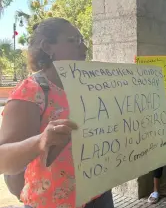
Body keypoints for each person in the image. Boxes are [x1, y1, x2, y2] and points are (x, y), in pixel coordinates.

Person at [0, 18, 114, 208]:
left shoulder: (89, 87)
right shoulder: (31, 92)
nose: (83, 47)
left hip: (98, 195)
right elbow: (3, 160)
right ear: (47, 47)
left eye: (82, 40)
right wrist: (40, 142)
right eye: (74, 40)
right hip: (52, 202)